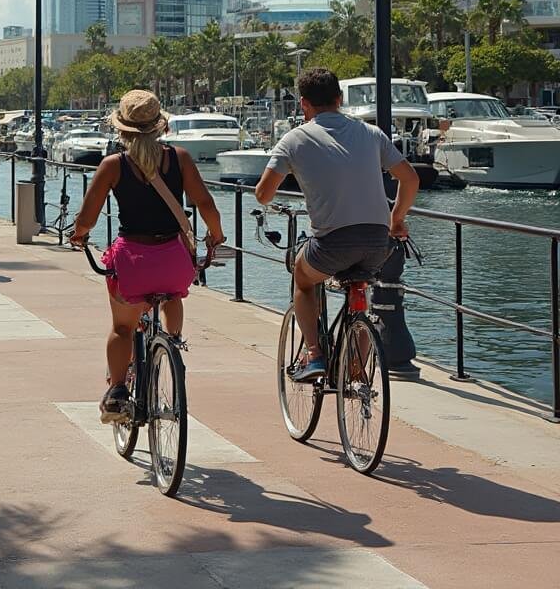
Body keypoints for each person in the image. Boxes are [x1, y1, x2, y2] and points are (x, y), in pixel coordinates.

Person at [68, 90, 225, 424]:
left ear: (122, 130)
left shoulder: (113, 165)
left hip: (133, 262)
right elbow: (206, 204)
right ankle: (172, 343)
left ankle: (118, 391)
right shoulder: (179, 158)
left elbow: (87, 217)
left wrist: (79, 236)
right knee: (172, 294)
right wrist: (216, 234)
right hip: (174, 261)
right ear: (160, 126)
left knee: (122, 328)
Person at [255, 68, 420, 382]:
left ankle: (314, 354)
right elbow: (410, 178)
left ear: (303, 104)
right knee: (359, 290)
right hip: (377, 241)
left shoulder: (294, 139)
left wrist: (296, 170)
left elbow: (263, 194)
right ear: (339, 99)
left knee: (302, 278)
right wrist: (395, 220)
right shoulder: (371, 133)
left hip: (332, 243)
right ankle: (357, 372)